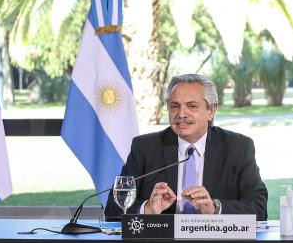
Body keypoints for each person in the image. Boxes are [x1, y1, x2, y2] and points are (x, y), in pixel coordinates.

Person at [105, 73, 268, 220]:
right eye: (174, 106)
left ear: (211, 110)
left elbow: (258, 208)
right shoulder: (145, 148)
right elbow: (113, 207)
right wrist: (147, 208)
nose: (181, 114)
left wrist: (215, 209)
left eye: (192, 106)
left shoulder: (238, 148)